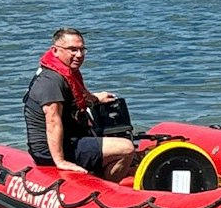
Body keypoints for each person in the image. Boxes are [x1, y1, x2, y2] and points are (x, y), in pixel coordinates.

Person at [23, 27, 137, 180]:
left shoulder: (66, 71)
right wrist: (60, 161)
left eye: (82, 49)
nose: (79, 55)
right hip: (51, 150)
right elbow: (53, 121)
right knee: (126, 148)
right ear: (55, 50)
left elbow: (80, 96)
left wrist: (96, 98)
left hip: (70, 138)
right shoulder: (51, 81)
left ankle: (101, 168)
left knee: (120, 136)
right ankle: (107, 187)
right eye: (72, 50)